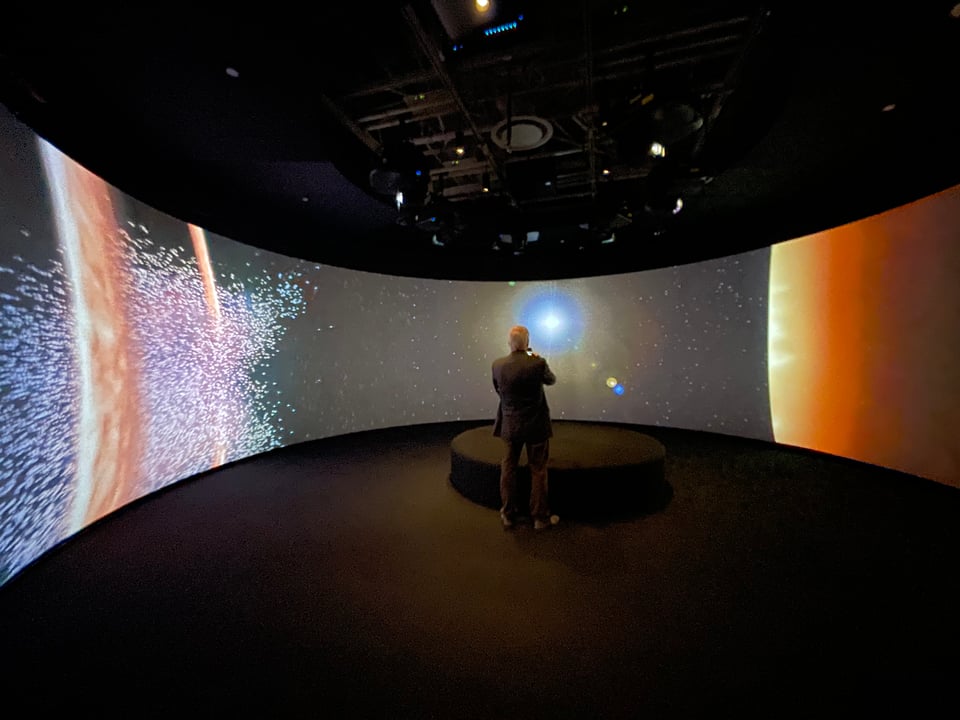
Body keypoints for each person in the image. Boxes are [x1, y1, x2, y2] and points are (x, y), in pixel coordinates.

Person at [491, 325, 557, 530]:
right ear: (527, 343)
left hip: (510, 425)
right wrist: (532, 356)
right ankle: (540, 518)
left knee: (508, 468)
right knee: (538, 470)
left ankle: (508, 514)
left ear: (509, 343)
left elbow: (499, 391)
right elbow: (551, 380)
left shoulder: (497, 365)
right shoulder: (537, 362)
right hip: (536, 426)